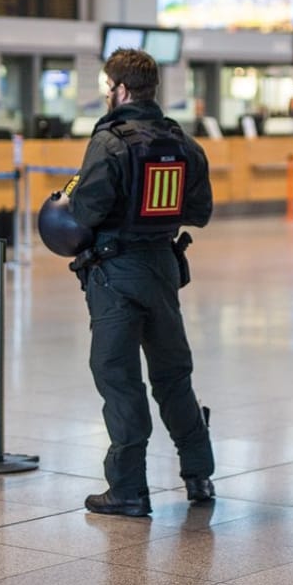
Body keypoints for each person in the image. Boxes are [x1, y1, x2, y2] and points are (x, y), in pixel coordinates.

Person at [66, 47, 215, 517]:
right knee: (173, 375)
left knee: (118, 376)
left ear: (121, 90)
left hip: (115, 272)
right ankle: (199, 474)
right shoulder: (181, 141)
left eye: (107, 87)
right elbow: (200, 212)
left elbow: (84, 212)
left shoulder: (110, 142)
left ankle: (127, 488)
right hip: (163, 267)